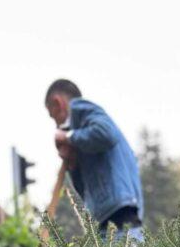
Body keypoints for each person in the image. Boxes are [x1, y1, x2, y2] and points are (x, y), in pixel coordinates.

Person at [45, 79, 144, 238]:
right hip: (110, 220)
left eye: (53, 116)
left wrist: (68, 136)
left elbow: (106, 134)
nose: (56, 125)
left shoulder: (80, 109)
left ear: (58, 103)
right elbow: (84, 192)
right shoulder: (84, 137)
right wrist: (73, 163)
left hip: (119, 219)